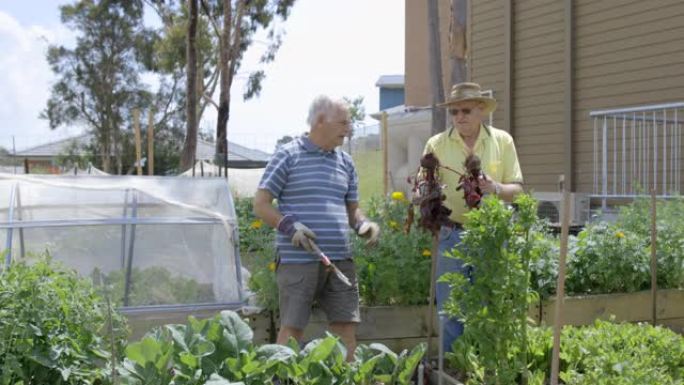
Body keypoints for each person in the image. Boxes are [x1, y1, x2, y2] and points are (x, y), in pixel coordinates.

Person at [253, 95, 380, 360]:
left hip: (341, 260)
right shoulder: (288, 156)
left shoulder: (345, 162)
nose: (348, 129)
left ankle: (344, 379)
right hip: (298, 259)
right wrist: (290, 227)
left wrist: (364, 224)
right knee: (293, 327)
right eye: (343, 122)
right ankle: (281, 379)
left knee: (345, 326)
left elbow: (352, 209)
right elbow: (261, 204)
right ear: (320, 121)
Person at [422, 82, 524, 353]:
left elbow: (517, 189)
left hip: (491, 235)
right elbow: (424, 187)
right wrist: (426, 197)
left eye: (465, 110)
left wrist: (495, 188)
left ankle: (488, 364)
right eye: (453, 112)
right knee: (450, 307)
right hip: (450, 233)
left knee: (491, 302)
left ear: (481, 110)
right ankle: (455, 369)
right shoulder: (436, 144)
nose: (459, 117)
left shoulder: (502, 141)